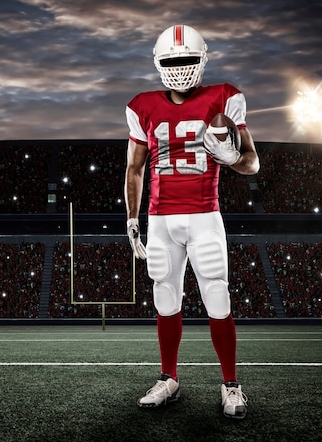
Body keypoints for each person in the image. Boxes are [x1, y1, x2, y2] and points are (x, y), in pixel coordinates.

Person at [124, 24, 259, 419]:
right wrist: (132, 219)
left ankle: (231, 384)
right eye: (172, 61)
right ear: (158, 63)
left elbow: (252, 162)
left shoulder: (223, 97)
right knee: (165, 299)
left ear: (202, 60)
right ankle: (169, 378)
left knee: (218, 297)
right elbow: (135, 169)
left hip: (204, 213)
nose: (180, 68)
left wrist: (231, 157)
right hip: (161, 218)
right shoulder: (142, 106)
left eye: (186, 60)